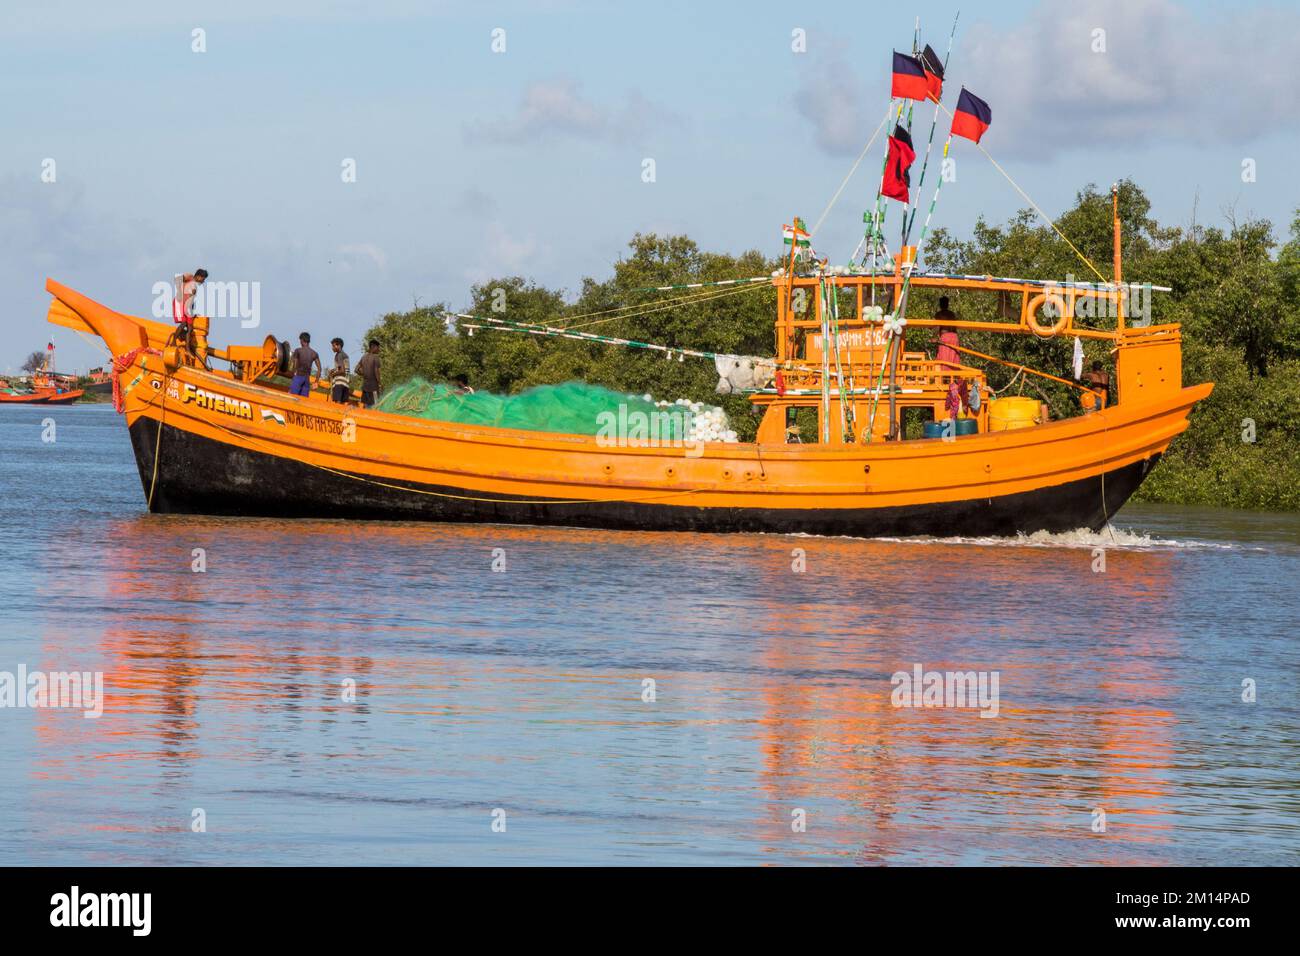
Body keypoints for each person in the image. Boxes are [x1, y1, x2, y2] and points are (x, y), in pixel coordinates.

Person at [172, 268, 208, 345]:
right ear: (198, 276)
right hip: (180, 302)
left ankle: (187, 347)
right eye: (203, 279)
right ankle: (173, 341)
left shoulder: (194, 286)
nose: (203, 281)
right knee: (184, 323)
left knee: (190, 328)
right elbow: (177, 279)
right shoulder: (190, 277)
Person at [289, 332, 321, 397]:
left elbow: (294, 365)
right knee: (303, 400)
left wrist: (294, 375)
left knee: (292, 398)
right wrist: (316, 382)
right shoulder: (314, 353)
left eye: (300, 340)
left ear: (302, 340)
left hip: (298, 376)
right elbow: (319, 369)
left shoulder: (298, 350)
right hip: (306, 380)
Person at [355, 339, 382, 407]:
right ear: (373, 347)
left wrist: (364, 374)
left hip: (365, 386)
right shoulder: (375, 357)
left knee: (365, 405)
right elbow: (376, 371)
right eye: (378, 347)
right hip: (374, 386)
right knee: (376, 404)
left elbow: (356, 369)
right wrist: (379, 384)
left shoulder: (363, 357)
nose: (379, 349)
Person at [934, 297, 960, 368]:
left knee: (944, 359)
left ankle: (945, 377)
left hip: (945, 337)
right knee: (953, 358)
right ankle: (953, 376)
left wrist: (934, 338)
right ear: (947, 304)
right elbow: (955, 328)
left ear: (940, 304)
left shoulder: (939, 314)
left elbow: (937, 327)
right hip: (954, 337)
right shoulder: (952, 314)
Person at [328, 337, 351, 404]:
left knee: (337, 403)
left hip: (339, 382)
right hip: (346, 382)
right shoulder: (345, 355)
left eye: (333, 346)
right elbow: (343, 368)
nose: (332, 348)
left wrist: (332, 375)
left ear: (339, 346)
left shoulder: (339, 355)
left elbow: (342, 371)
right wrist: (334, 370)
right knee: (343, 404)